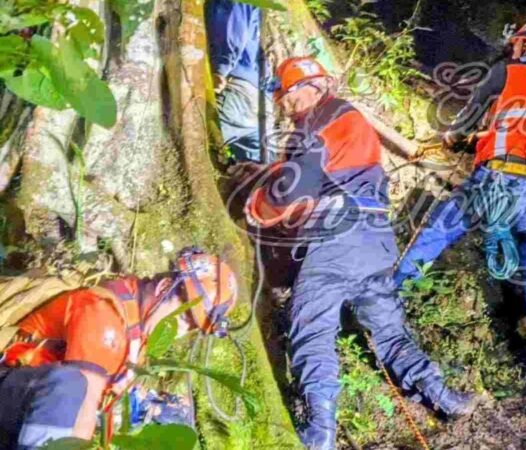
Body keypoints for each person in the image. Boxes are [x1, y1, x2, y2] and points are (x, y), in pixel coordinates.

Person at [245, 56, 478, 450]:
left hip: (340, 238)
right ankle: (443, 396)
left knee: (313, 325)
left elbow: (293, 191)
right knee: (388, 329)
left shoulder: (316, 125)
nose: (285, 106)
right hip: (377, 239)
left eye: (286, 97)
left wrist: (258, 207)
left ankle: (319, 433)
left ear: (308, 90)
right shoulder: (348, 120)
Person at [394, 19, 526, 397]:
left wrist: (450, 138)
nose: (514, 49)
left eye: (517, 44)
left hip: (497, 180)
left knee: (439, 228)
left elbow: (466, 120)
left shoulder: (507, 71)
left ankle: (392, 295)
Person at [0, 249, 238, 449]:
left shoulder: (140, 335)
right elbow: (85, 398)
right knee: (71, 386)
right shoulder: (104, 310)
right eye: (185, 315)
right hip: (13, 387)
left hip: (34, 418)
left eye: (191, 326)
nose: (180, 329)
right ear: (164, 287)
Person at [206, 0, 274, 163]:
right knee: (257, 175)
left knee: (196, 139)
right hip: (261, 100)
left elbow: (234, 26)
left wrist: (220, 68)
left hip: (237, 93)